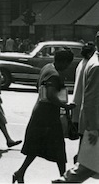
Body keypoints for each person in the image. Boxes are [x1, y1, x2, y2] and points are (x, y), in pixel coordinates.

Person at [13, 49, 75, 183]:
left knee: (36, 147)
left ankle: (20, 172)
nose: (67, 67)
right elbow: (51, 95)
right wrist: (66, 106)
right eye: (67, 64)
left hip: (41, 113)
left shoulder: (47, 67)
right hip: (48, 117)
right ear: (63, 62)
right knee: (58, 149)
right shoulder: (54, 75)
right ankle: (63, 178)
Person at [53, 34, 99, 183]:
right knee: (87, 165)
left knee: (89, 164)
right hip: (96, 125)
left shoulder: (93, 61)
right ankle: (65, 181)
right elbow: (91, 100)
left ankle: (65, 180)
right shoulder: (97, 66)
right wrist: (93, 128)